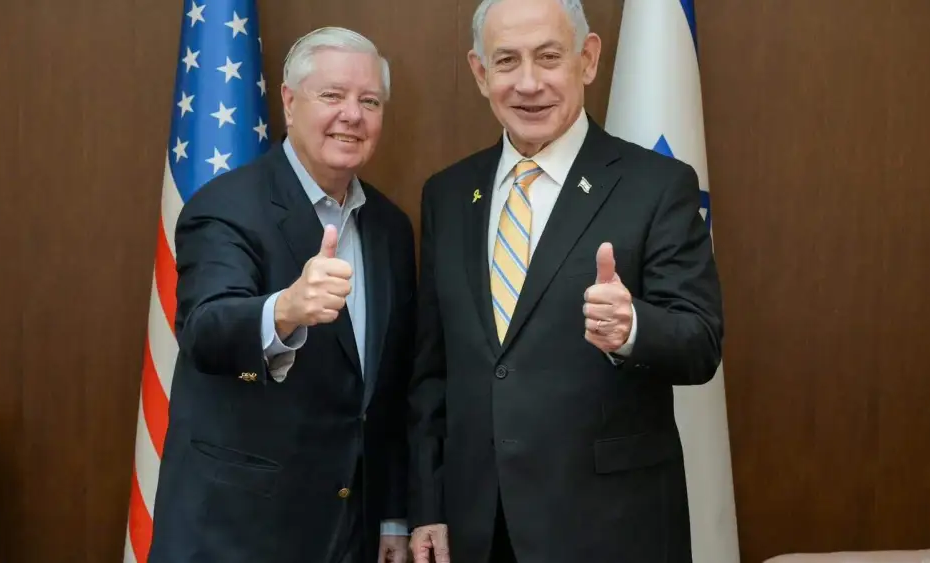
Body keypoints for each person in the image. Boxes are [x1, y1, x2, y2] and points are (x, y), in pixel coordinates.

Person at [407, 0, 723, 561]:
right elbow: (433, 370)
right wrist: (428, 505)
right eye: (507, 61)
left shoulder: (657, 185)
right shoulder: (448, 194)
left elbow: (701, 344)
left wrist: (631, 329)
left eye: (549, 57)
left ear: (588, 59)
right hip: (479, 526)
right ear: (481, 74)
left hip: (610, 526)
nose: (528, 83)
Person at [148, 27, 415, 563]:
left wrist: (390, 515)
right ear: (290, 104)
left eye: (369, 101)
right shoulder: (226, 206)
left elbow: (387, 389)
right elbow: (205, 329)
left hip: (349, 531)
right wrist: (286, 310)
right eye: (332, 96)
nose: (352, 115)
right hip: (238, 533)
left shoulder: (390, 226)